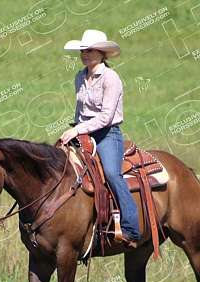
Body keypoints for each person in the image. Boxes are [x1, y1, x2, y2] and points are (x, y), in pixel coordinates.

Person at [60, 29, 141, 247]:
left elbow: (106, 117)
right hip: (83, 131)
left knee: (113, 174)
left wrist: (78, 130)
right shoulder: (80, 76)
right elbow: (80, 111)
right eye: (83, 51)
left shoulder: (111, 78)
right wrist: (75, 130)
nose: (85, 54)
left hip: (107, 134)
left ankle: (131, 228)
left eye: (90, 50)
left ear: (102, 53)